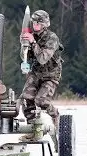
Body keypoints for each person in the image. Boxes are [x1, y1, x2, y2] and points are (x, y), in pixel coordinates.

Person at [19, 10, 64, 142]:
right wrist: (24, 45)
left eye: (38, 22)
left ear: (44, 24)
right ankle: (34, 130)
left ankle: (55, 115)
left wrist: (33, 43)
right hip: (36, 73)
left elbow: (43, 58)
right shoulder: (32, 35)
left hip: (51, 75)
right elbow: (25, 57)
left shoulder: (52, 38)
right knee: (26, 100)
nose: (35, 24)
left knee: (41, 101)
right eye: (33, 22)